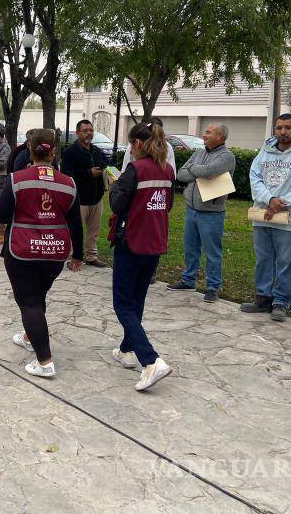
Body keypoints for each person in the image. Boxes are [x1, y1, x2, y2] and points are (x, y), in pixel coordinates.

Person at [0, 128, 84, 377]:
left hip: (22, 250)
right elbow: (75, 222)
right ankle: (28, 335)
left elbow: (0, 215)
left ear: (29, 150)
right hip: (55, 253)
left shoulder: (17, 179)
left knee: (29, 302)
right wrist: (78, 254)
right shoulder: (68, 183)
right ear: (54, 151)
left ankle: (45, 361)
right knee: (38, 296)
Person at [108, 122, 175, 391]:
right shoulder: (167, 170)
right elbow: (167, 204)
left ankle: (150, 360)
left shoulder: (134, 170)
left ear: (137, 144)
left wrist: (115, 185)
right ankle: (126, 349)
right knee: (137, 300)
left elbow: (117, 204)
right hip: (155, 242)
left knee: (123, 304)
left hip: (132, 241)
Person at [241, 113, 291, 321]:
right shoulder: (265, 151)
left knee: (285, 261)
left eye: (288, 127)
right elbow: (255, 176)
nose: (283, 132)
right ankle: (263, 297)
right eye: (279, 128)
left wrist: (280, 203)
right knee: (263, 259)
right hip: (263, 215)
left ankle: (281, 301)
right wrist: (269, 199)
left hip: (289, 218)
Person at [167, 123, 236, 302]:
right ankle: (188, 279)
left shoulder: (227, 157)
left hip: (212, 213)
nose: (204, 135)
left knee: (212, 252)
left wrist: (195, 170)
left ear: (220, 136)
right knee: (191, 248)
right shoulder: (199, 153)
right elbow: (181, 174)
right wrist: (199, 171)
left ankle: (213, 287)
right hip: (192, 209)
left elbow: (208, 171)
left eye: (208, 132)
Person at [62, 119, 109, 267]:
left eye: (91, 130)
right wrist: (88, 173)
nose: (89, 133)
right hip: (79, 199)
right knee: (75, 230)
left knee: (93, 231)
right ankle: (72, 257)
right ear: (77, 133)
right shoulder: (70, 152)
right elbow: (66, 175)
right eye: (85, 131)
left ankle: (91, 256)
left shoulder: (96, 150)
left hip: (96, 197)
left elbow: (105, 163)